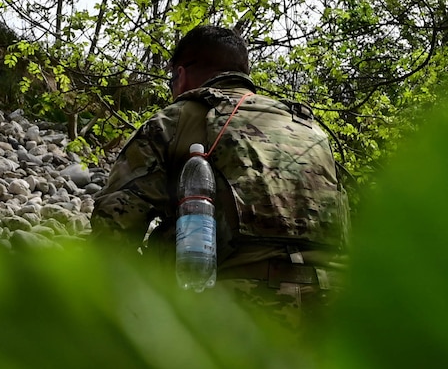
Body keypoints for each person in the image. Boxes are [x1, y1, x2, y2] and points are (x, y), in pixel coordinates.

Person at [91, 24, 348, 308]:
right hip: (333, 306)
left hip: (231, 311)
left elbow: (114, 227)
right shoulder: (309, 128)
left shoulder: (174, 120)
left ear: (181, 75)